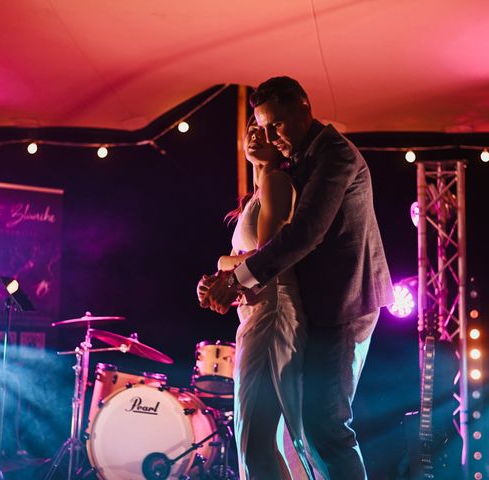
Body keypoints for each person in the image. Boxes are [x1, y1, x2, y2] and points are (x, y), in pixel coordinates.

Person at [198, 76, 394, 480]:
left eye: (277, 125)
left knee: (326, 425)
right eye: (262, 127)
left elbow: (305, 233)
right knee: (302, 429)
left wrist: (234, 279)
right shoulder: (299, 158)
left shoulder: (335, 155)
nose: (270, 135)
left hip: (345, 304)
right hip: (312, 307)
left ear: (304, 108)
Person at [201, 116, 314, 480]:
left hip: (273, 313)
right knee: (263, 439)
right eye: (250, 129)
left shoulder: (278, 182)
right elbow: (249, 270)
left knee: (256, 439)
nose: (254, 134)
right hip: (257, 313)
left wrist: (222, 264)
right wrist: (215, 285)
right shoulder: (256, 196)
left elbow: (270, 257)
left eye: (263, 130)